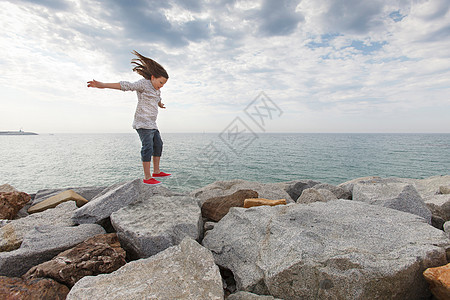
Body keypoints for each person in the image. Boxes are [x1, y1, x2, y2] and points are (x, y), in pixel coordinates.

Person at [87, 50, 171, 185]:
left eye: (163, 84)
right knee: (147, 147)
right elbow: (127, 86)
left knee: (158, 145)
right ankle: (147, 177)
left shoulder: (157, 89)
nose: (161, 86)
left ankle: (156, 171)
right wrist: (103, 85)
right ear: (153, 77)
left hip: (152, 124)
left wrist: (160, 104)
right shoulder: (143, 84)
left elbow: (158, 97)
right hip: (142, 123)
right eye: (161, 82)